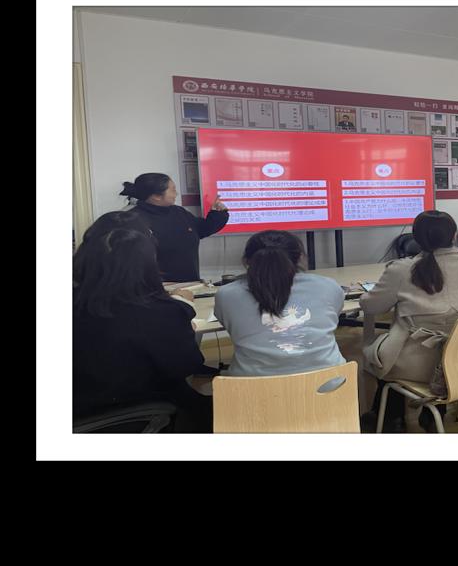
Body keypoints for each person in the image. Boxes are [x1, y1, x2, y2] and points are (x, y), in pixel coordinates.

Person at [360, 210, 458, 432]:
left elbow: (371, 307)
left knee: (381, 355)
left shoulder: (402, 269)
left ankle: (390, 420)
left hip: (415, 365)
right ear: (455, 235)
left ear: (416, 238)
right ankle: (432, 415)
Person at [73, 227, 212, 432]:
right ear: (148, 267)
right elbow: (187, 364)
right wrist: (182, 315)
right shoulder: (160, 312)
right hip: (141, 410)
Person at [214, 230, 346, 377]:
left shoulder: (226, 295)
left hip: (251, 389)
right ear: (300, 258)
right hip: (329, 385)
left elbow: (231, 326)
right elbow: (334, 314)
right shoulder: (328, 286)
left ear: (246, 261)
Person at [121, 172, 229, 282]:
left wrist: (217, 214)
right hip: (157, 288)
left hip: (190, 284)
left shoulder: (178, 211)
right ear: (156, 196)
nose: (176, 194)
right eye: (173, 190)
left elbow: (201, 229)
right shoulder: (132, 219)